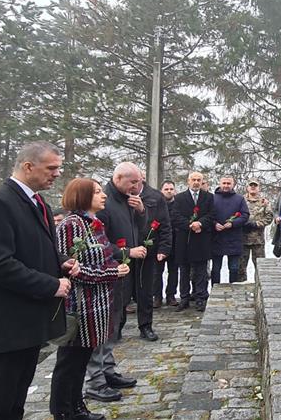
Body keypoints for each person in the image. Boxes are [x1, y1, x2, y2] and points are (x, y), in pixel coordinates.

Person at [0, 141, 77, 420]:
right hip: (2, 329)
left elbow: (35, 249)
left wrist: (61, 262)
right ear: (27, 166)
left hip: (26, 326)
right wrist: (52, 285)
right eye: (51, 168)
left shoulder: (39, 203)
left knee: (15, 404)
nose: (57, 173)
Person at [51, 178, 130, 420]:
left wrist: (115, 264)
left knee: (82, 358)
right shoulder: (71, 225)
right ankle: (64, 411)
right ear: (83, 197)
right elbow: (71, 268)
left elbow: (100, 257)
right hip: (79, 305)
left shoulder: (93, 223)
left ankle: (77, 406)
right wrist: (111, 272)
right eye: (97, 192)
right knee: (69, 361)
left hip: (97, 304)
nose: (103, 195)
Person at [85, 162, 147, 403]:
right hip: (106, 275)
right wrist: (127, 253)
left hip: (122, 274)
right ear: (119, 178)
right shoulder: (103, 203)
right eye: (133, 182)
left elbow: (138, 231)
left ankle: (108, 370)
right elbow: (97, 245)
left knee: (112, 327)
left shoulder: (128, 200)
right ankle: (96, 380)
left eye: (140, 182)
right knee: (101, 330)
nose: (137, 187)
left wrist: (141, 212)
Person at [171, 171, 215, 312]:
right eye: (193, 179)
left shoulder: (209, 197)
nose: (196, 182)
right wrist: (190, 225)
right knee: (184, 270)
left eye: (199, 180)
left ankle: (200, 298)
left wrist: (200, 223)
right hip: (184, 239)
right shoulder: (179, 198)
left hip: (202, 239)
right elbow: (175, 216)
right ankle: (184, 298)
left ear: (202, 182)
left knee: (201, 271)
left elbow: (212, 215)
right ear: (188, 181)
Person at [136, 175, 172, 340]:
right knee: (122, 292)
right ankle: (117, 326)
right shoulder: (117, 194)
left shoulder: (156, 196)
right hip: (124, 251)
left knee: (146, 291)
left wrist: (164, 247)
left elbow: (164, 223)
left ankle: (145, 326)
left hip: (148, 249)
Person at [211, 176, 250, 284]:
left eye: (229, 183)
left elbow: (245, 215)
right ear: (220, 184)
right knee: (215, 270)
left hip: (234, 238)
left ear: (233, 185)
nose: (226, 185)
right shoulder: (212, 198)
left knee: (234, 269)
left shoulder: (239, 199)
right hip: (216, 238)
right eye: (224, 183)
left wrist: (233, 223)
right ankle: (215, 291)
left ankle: (233, 291)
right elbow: (207, 215)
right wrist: (214, 224)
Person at [242, 178, 273, 280]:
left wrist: (257, 224)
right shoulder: (241, 200)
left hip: (258, 240)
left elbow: (269, 218)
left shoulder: (264, 202)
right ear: (247, 188)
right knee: (240, 269)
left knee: (260, 268)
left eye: (255, 186)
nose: (253, 187)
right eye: (251, 185)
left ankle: (260, 290)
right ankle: (240, 290)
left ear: (259, 188)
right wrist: (242, 223)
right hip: (243, 240)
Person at [154, 180, 179, 307]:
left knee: (173, 271)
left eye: (171, 189)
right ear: (161, 191)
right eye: (166, 189)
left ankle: (171, 295)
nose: (169, 191)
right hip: (159, 242)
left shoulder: (178, 204)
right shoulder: (156, 204)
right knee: (157, 272)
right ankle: (157, 296)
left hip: (175, 242)